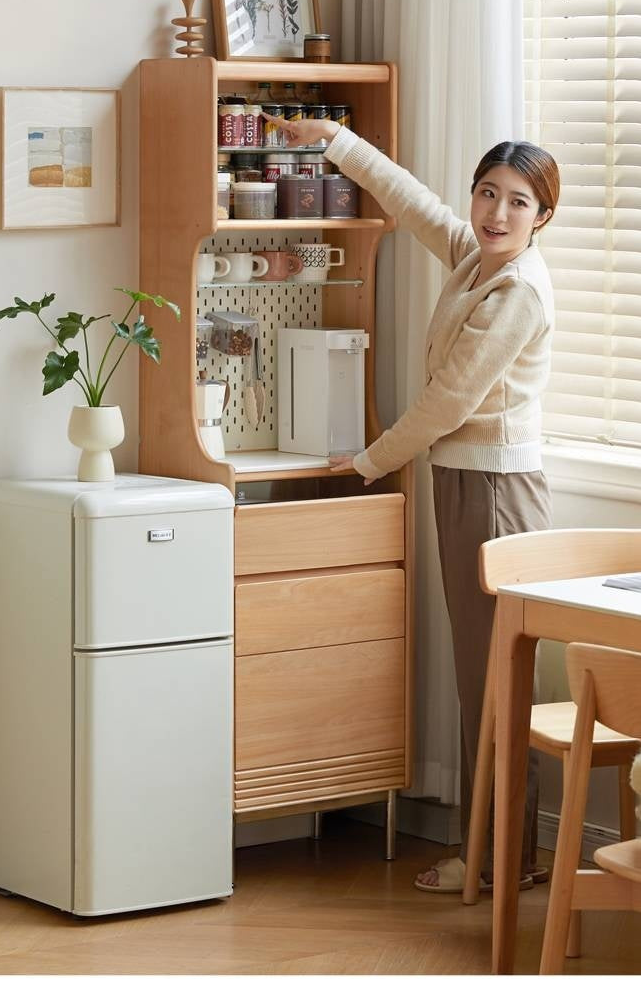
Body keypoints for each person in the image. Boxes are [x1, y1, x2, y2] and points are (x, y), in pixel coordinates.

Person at [266, 111, 560, 894]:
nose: (497, 213)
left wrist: (367, 461)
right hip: (470, 481)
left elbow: (448, 403)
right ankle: (507, 852)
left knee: (491, 676)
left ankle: (500, 857)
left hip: (493, 491)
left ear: (544, 216)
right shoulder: (477, 260)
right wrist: (331, 142)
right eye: (487, 193)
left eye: (518, 203)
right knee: (482, 674)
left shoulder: (518, 292)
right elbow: (415, 203)